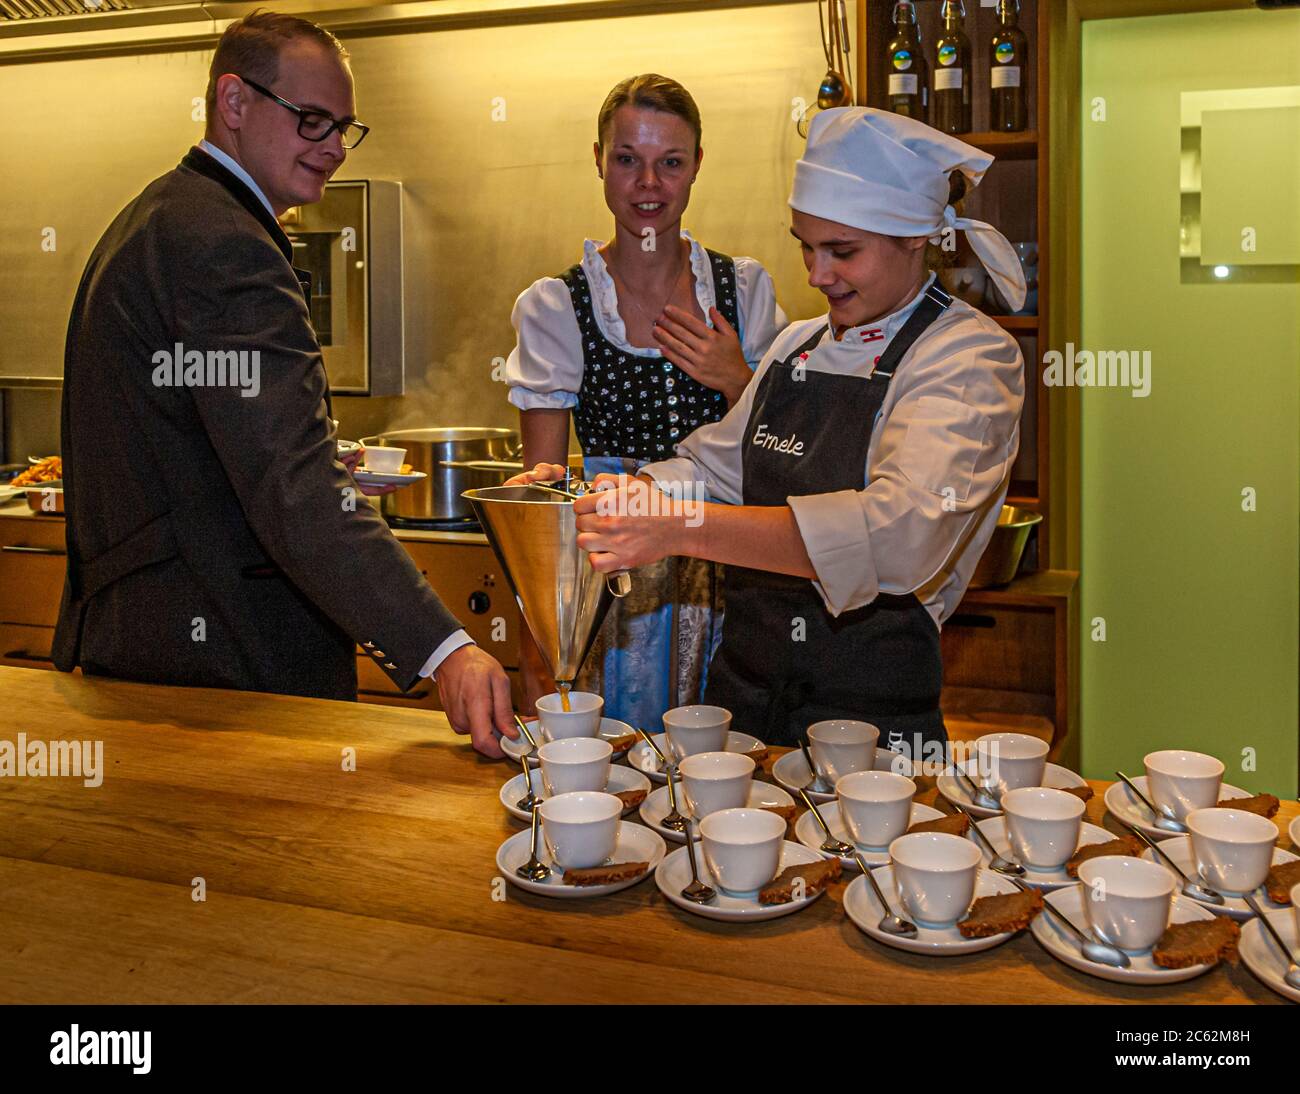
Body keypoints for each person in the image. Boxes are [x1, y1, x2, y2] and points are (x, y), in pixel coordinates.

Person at [53, 11, 516, 757]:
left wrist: (320, 472)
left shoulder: (158, 214)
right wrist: (444, 649)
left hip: (143, 647)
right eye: (311, 121)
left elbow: (211, 449)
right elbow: (293, 485)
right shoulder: (228, 245)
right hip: (221, 662)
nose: (333, 147)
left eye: (344, 128)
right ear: (233, 103)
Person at [524, 107, 1026, 758]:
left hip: (871, 726)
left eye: (842, 252)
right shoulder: (797, 345)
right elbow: (712, 468)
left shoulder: (968, 358)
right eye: (806, 246)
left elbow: (895, 538)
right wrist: (637, 496)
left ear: (914, 239)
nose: (817, 275)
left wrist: (678, 529)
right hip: (745, 708)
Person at [504, 74, 785, 730]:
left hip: (727, 568)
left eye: (671, 163)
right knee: (618, 778)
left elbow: (785, 462)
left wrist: (738, 380)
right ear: (598, 160)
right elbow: (542, 500)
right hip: (614, 576)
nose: (649, 184)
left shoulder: (742, 292)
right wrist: (534, 654)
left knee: (727, 776)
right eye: (628, 159)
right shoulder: (556, 306)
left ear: (696, 169)